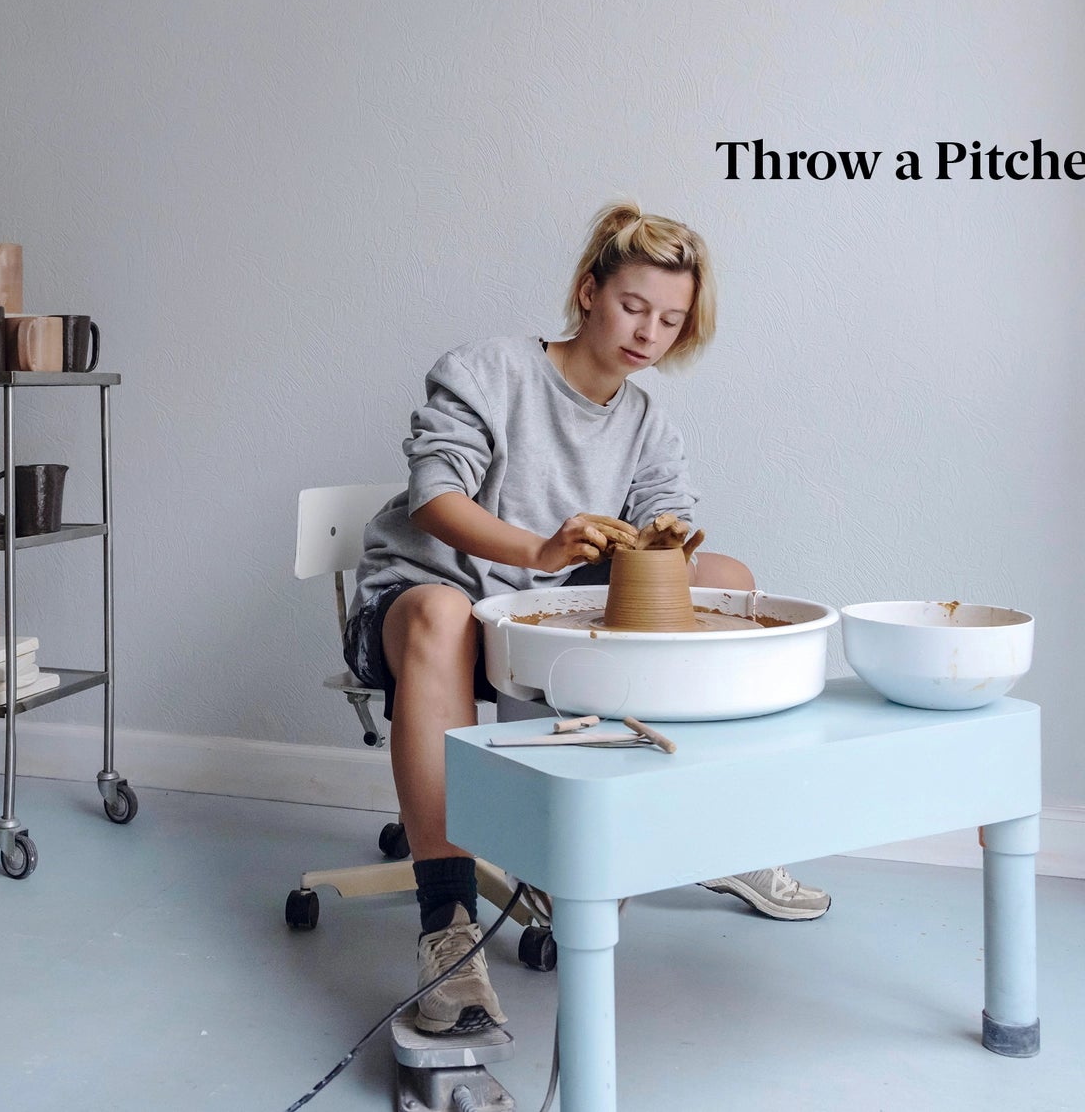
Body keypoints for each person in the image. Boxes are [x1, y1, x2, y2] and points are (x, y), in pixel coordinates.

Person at [343, 201, 830, 1036]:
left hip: (539, 614)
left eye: (671, 320)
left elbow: (670, 516)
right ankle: (448, 930)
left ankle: (708, 836)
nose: (650, 332)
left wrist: (668, 540)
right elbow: (435, 498)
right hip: (428, 597)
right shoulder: (488, 369)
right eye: (635, 306)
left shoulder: (647, 421)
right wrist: (540, 549)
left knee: (728, 577)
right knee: (446, 613)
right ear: (588, 291)